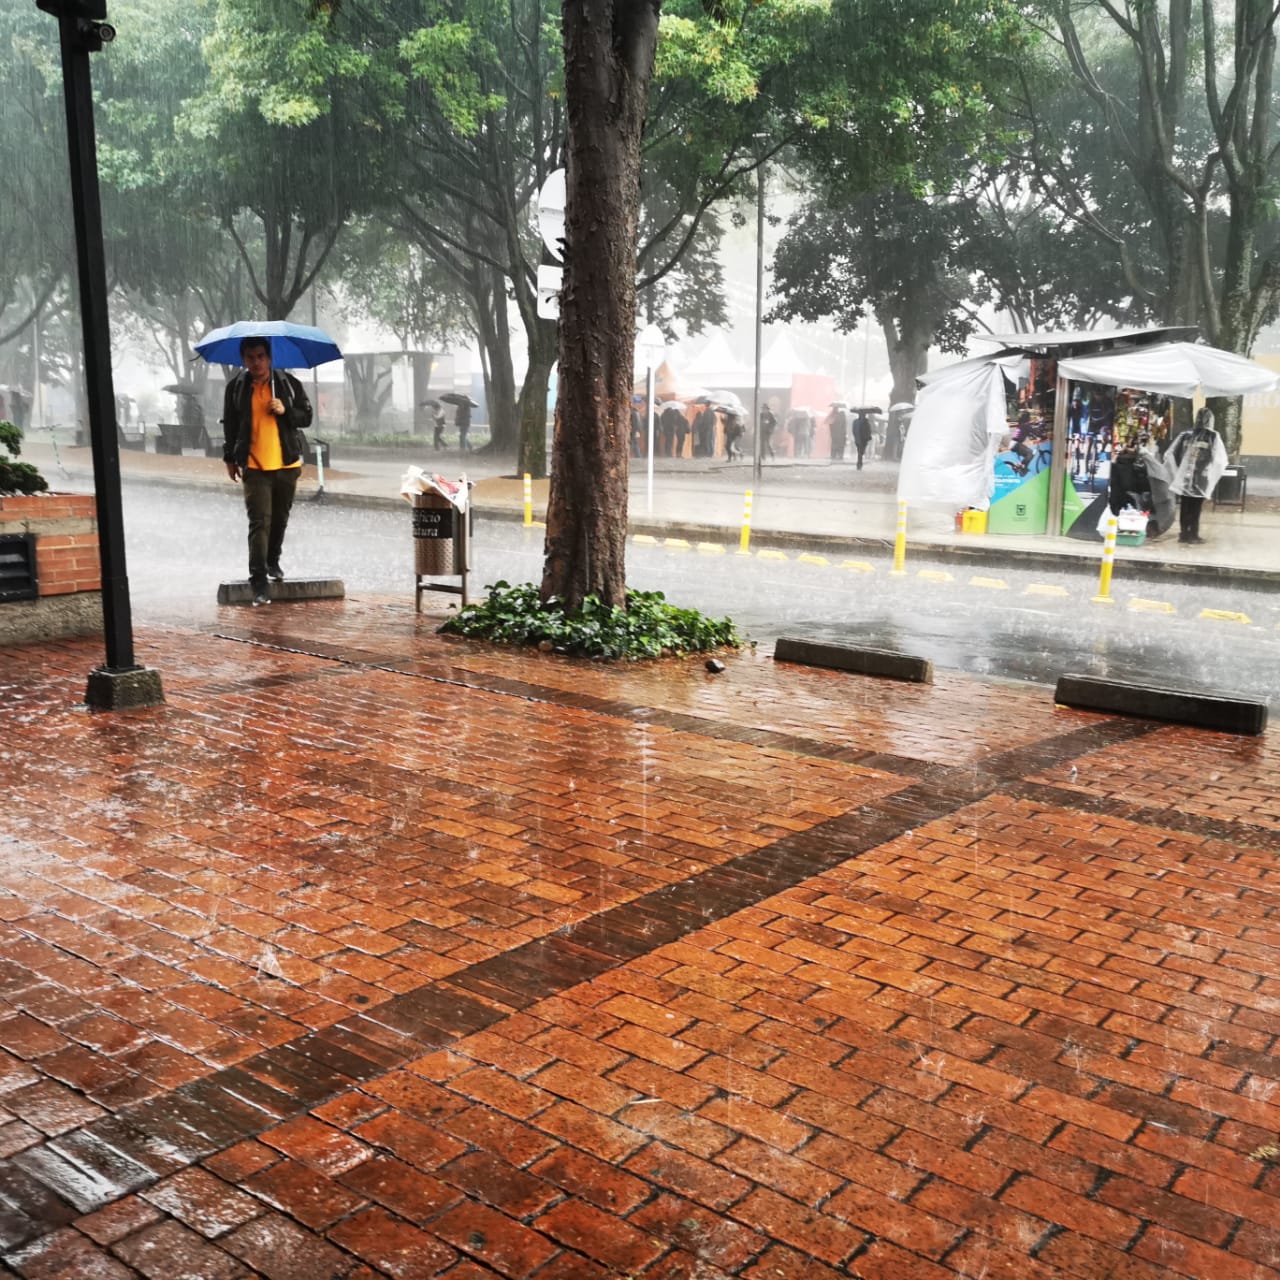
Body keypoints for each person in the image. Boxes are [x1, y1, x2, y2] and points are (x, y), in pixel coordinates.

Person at [222, 337, 313, 605]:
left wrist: (286, 411)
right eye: (250, 357)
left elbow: (306, 417)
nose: (256, 362)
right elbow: (230, 424)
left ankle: (273, 560)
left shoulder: (288, 384)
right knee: (259, 522)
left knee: (279, 519)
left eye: (261, 356)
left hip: (287, 464)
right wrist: (229, 457)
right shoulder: (236, 388)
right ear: (243, 359)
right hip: (255, 465)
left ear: (270, 357)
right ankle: (258, 582)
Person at [1166, 406, 1227, 544]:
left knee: (1185, 505)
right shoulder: (1212, 436)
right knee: (1195, 506)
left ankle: (1184, 533)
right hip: (1200, 476)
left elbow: (1171, 454)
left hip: (1185, 477)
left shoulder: (1185, 434)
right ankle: (1192, 534)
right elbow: (1219, 459)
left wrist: (1178, 471)